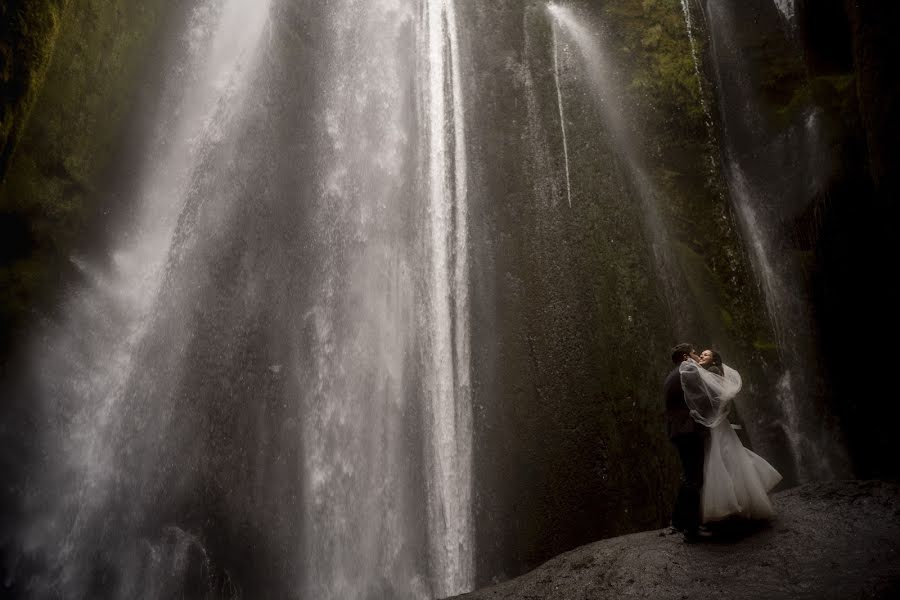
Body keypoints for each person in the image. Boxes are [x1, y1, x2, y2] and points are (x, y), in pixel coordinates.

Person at [680, 351, 782, 524]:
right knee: (731, 456)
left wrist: (694, 363)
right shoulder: (712, 369)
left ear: (714, 358)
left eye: (706, 354)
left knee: (721, 457)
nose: (702, 356)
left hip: (717, 423)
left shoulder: (712, 370)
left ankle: (732, 505)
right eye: (702, 354)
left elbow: (711, 394)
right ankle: (743, 500)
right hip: (719, 423)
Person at [664, 343, 708, 541]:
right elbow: (702, 397)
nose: (697, 355)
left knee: (688, 476)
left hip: (677, 430)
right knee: (695, 478)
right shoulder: (687, 370)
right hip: (688, 429)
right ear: (684, 357)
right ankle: (691, 529)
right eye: (694, 353)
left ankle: (677, 522)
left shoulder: (671, 376)